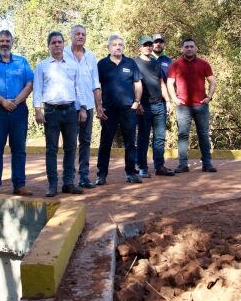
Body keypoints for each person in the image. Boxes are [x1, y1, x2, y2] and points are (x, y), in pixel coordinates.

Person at [0, 30, 34, 195]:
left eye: (7, 41)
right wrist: (3, 101)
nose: (4, 44)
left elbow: (30, 84)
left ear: (12, 43)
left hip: (19, 110)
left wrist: (15, 101)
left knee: (19, 149)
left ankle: (19, 185)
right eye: (1, 41)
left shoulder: (22, 62)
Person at [33, 31, 87, 197]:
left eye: (59, 42)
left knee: (71, 148)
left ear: (64, 44)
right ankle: (52, 185)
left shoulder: (72, 64)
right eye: (53, 42)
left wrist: (83, 108)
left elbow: (79, 88)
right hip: (51, 112)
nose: (57, 45)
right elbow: (37, 89)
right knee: (51, 149)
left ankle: (68, 183)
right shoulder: (42, 66)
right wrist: (38, 111)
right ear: (48, 46)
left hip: (71, 111)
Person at [96, 34, 143, 185]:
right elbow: (97, 87)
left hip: (128, 110)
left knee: (130, 143)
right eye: (114, 44)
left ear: (123, 47)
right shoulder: (101, 64)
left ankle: (131, 173)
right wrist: (99, 106)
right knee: (105, 143)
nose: (118, 47)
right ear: (109, 47)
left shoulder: (131, 63)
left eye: (120, 45)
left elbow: (138, 84)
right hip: (108, 111)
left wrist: (136, 102)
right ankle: (101, 175)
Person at [167, 38, 217, 173]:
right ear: (182, 49)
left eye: (191, 47)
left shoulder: (204, 64)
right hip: (183, 107)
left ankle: (207, 163)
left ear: (196, 48)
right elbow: (169, 83)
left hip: (201, 106)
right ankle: (183, 165)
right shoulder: (175, 65)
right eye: (186, 47)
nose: (189, 49)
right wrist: (174, 99)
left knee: (203, 134)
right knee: (183, 135)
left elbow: (212, 81)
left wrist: (209, 97)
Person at [64, 24, 104, 189]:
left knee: (85, 141)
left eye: (83, 34)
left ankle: (84, 177)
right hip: (69, 106)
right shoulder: (63, 54)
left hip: (87, 104)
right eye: (78, 34)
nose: (80, 36)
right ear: (71, 35)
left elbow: (95, 83)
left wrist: (99, 105)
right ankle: (69, 179)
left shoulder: (91, 57)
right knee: (70, 143)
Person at [134, 36, 175, 178]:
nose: (148, 47)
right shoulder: (134, 63)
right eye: (145, 45)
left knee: (159, 138)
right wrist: (136, 102)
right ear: (140, 47)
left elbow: (161, 83)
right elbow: (132, 84)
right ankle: (142, 166)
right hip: (144, 105)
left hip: (159, 105)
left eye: (150, 45)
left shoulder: (156, 63)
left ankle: (159, 166)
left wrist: (168, 101)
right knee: (143, 137)